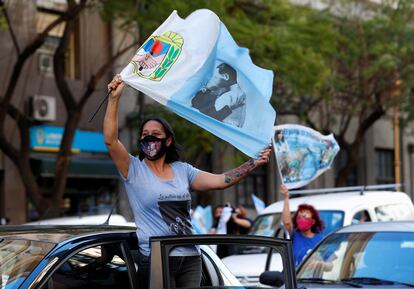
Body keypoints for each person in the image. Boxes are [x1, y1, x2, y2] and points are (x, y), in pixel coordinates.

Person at [104, 74, 271, 289]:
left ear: (168, 140)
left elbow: (221, 181)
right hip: (158, 258)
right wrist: (114, 99)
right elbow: (110, 139)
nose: (149, 138)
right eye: (145, 134)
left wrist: (252, 163)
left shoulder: (183, 170)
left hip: (191, 256)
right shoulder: (133, 168)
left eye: (155, 134)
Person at [280, 185, 324, 267]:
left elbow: (331, 265)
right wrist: (286, 198)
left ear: (313, 221)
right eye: (299, 217)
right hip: (293, 279)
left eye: (304, 216)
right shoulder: (294, 235)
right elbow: (286, 222)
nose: (301, 219)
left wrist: (320, 265)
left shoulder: (321, 239)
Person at [192, 63, 246, 128]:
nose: (210, 79)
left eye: (214, 77)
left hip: (226, 131)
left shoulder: (230, 96)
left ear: (226, 77)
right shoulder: (235, 93)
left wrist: (205, 90)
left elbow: (211, 118)